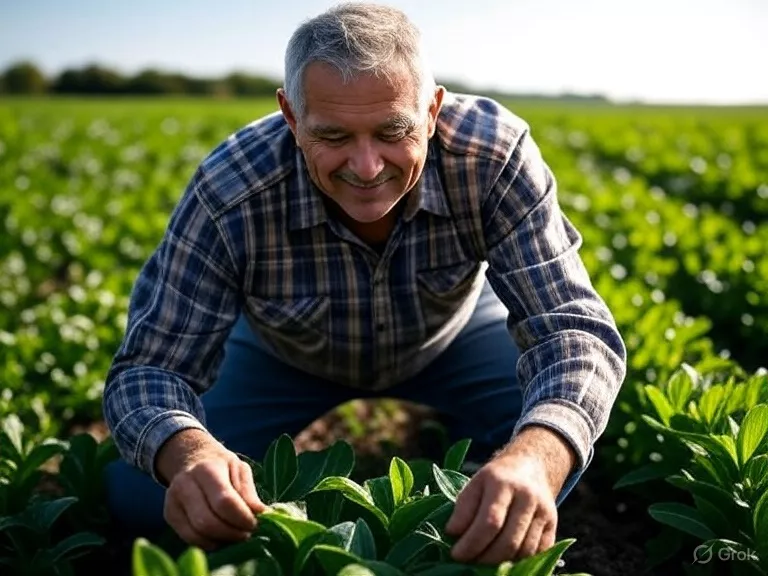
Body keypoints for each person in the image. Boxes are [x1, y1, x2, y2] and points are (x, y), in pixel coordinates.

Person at [102, 1, 626, 565]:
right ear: (290, 116)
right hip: (285, 356)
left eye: (392, 130)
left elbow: (574, 334)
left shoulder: (492, 157)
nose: (367, 165)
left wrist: (535, 457)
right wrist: (187, 454)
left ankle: (473, 442)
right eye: (333, 136)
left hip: (452, 338)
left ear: (431, 111)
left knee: (549, 459)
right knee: (145, 496)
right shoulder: (231, 190)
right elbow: (149, 370)